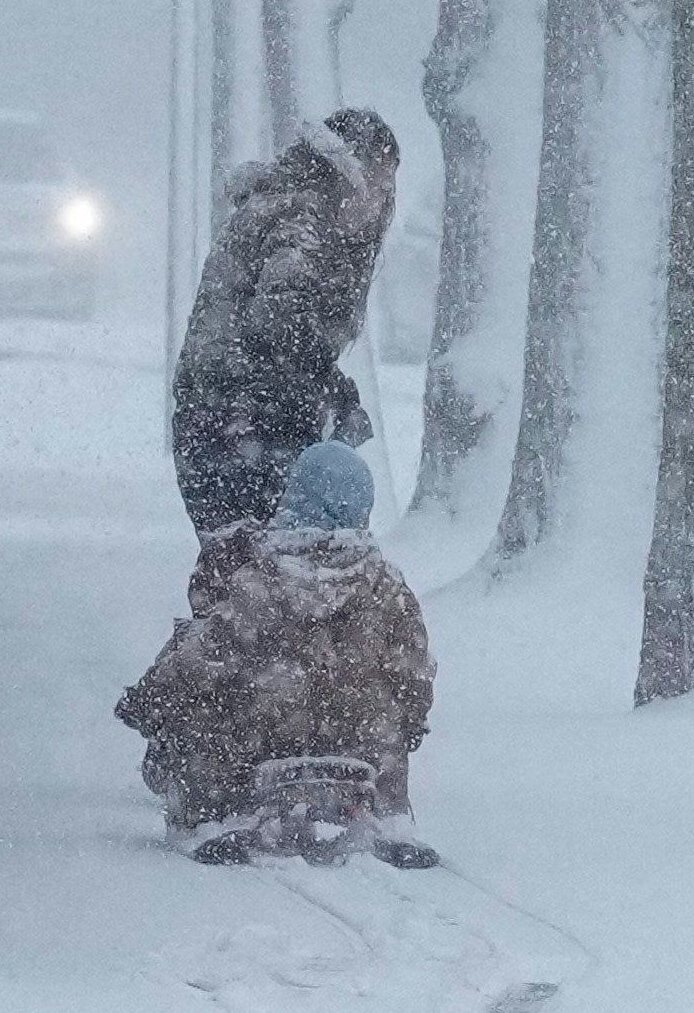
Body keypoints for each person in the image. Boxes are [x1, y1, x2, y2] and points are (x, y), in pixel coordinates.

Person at [116, 442, 439, 868]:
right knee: (388, 716)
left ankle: (208, 816)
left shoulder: (262, 580)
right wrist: (406, 727)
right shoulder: (389, 586)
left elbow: (203, 661)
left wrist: (151, 700)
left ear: (295, 496)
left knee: (205, 706)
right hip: (363, 743)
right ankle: (389, 816)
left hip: (267, 740)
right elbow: (414, 676)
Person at [172, 108, 400, 537]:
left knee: (246, 563)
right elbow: (282, 320)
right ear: (350, 171)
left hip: (218, 423)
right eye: (379, 181)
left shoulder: (286, 200)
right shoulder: (302, 215)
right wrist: (335, 391)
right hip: (246, 426)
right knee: (292, 556)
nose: (382, 198)